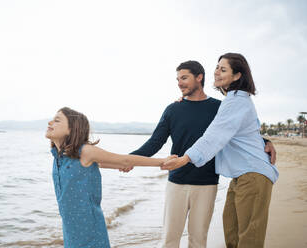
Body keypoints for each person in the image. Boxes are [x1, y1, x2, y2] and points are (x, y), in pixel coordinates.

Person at [115, 60, 276, 248]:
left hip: (207, 183)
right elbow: (155, 143)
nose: (179, 83)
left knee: (198, 240)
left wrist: (265, 142)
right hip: (177, 181)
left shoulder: (220, 107)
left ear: (199, 77)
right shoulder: (173, 109)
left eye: (184, 78)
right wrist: (130, 160)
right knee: (169, 239)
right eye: (177, 79)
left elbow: (238, 131)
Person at [162, 53, 279, 248]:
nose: (217, 72)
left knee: (248, 239)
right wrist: (265, 140)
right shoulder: (232, 102)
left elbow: (214, 136)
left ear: (237, 76)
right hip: (241, 175)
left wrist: (185, 159)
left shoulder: (237, 101)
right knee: (232, 234)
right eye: (217, 67)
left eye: (223, 69)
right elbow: (246, 130)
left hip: (253, 174)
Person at [45, 107, 176, 248]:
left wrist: (162, 162)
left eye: (57, 120)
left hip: (90, 227)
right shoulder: (59, 157)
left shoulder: (86, 151)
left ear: (72, 129)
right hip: (70, 228)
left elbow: (124, 160)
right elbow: (102, 164)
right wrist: (118, 165)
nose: (50, 122)